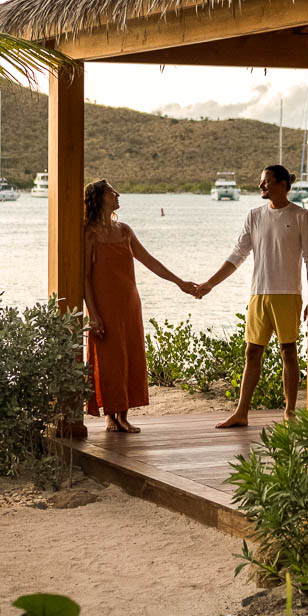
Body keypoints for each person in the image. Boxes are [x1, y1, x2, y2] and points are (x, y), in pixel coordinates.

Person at [195, 165, 307, 428]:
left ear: (282, 185)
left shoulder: (301, 216)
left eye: (266, 181)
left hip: (288, 294)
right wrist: (210, 283)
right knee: (252, 352)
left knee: (288, 351)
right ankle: (241, 412)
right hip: (259, 293)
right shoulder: (254, 216)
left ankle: (290, 411)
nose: (261, 186)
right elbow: (238, 254)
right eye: (261, 181)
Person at [82, 179, 198, 433]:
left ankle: (123, 415)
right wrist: (93, 314)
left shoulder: (124, 230)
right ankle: (110, 416)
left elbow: (150, 261)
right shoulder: (89, 233)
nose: (117, 194)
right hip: (103, 305)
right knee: (109, 359)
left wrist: (179, 282)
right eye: (112, 192)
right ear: (99, 198)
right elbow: (85, 278)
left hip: (129, 303)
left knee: (129, 356)